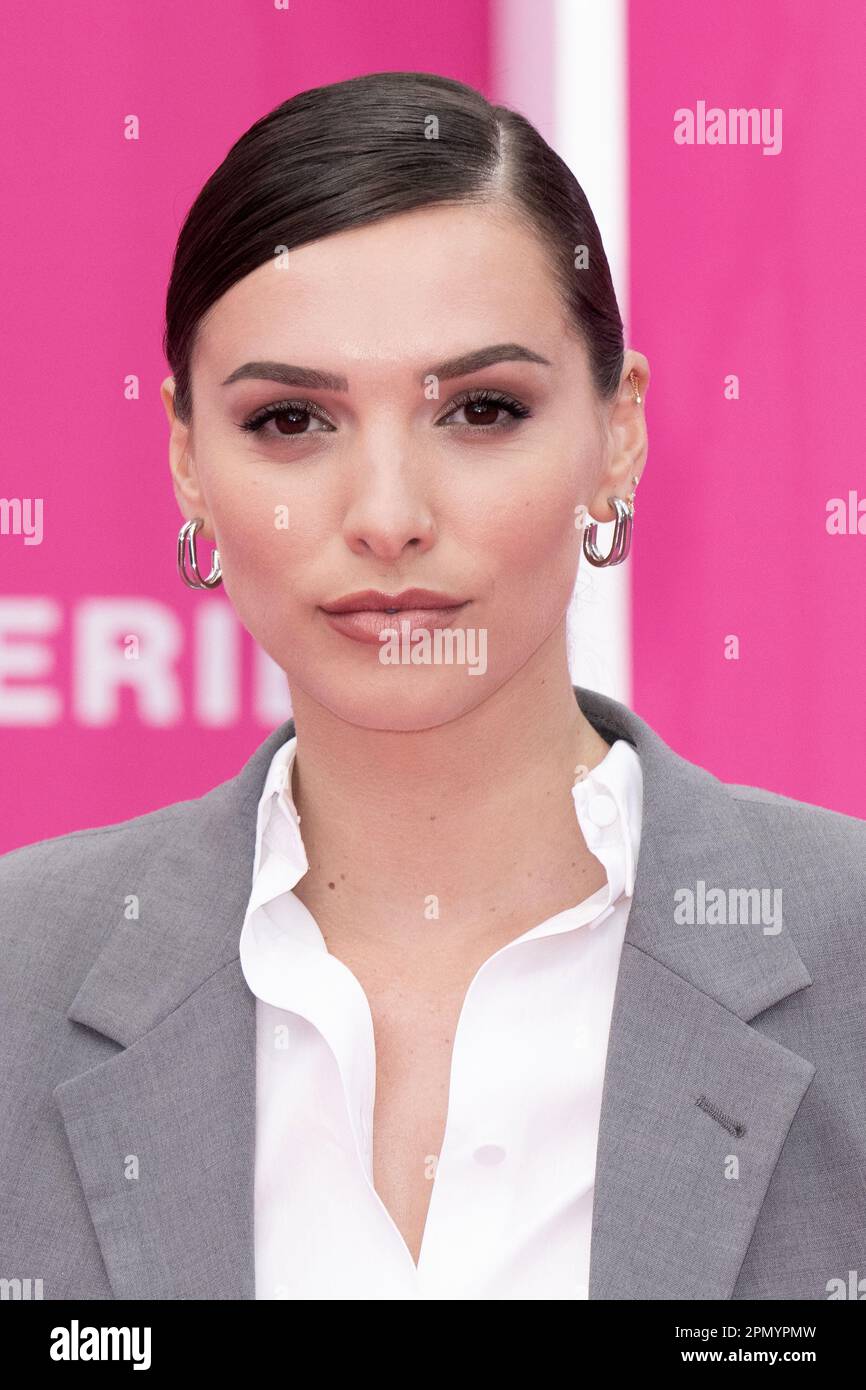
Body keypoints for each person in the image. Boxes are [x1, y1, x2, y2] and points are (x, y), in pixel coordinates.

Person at [1, 71, 864, 1301]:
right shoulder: (20, 975)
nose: (388, 517)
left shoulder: (847, 949)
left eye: (479, 409)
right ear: (188, 458)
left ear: (615, 433)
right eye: (293, 419)